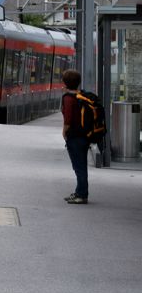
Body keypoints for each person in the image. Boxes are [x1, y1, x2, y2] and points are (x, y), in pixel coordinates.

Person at [60, 69, 89, 205]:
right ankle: (79, 191)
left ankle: (82, 195)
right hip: (84, 136)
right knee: (80, 165)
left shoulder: (67, 98)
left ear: (66, 83)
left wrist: (64, 132)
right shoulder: (82, 95)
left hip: (74, 137)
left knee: (79, 166)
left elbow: (68, 119)